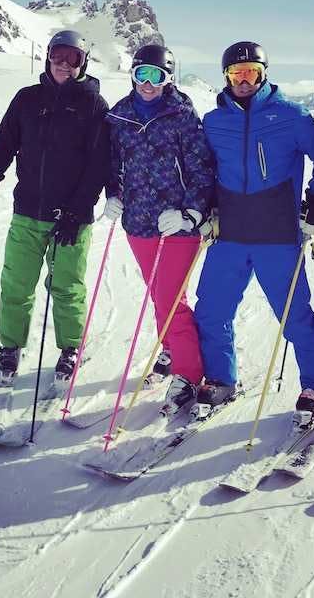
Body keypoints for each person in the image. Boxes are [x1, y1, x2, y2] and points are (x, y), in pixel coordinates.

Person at [193, 41, 314, 422]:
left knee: (294, 315)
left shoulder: (291, 115)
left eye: (251, 72)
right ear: (225, 77)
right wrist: (205, 210)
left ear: (264, 74)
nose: (244, 80)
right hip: (231, 234)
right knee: (210, 309)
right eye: (236, 74)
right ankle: (221, 379)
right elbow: (204, 170)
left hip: (278, 234)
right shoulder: (213, 120)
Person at [0, 30, 110, 384]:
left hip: (72, 219)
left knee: (66, 286)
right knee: (16, 283)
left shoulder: (93, 105)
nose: (63, 63)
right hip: (27, 212)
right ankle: (11, 345)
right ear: (47, 56)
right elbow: (1, 151)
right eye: (58, 55)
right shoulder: (27, 100)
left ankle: (70, 347)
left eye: (72, 58)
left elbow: (99, 166)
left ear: (83, 62)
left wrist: (77, 211)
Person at [103, 44, 215, 415]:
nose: (149, 84)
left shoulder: (182, 116)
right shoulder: (118, 116)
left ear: (169, 79)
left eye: (158, 76)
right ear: (132, 74)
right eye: (142, 75)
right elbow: (112, 165)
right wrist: (113, 195)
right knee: (158, 293)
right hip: (137, 221)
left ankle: (189, 373)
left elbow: (201, 170)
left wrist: (190, 214)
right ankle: (171, 349)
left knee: (171, 299)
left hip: (177, 225)